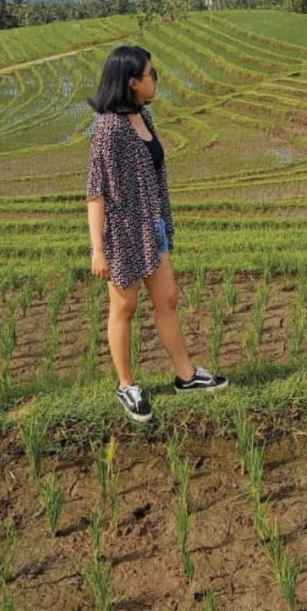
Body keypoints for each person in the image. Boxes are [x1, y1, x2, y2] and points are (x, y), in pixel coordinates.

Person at [86, 46, 227, 423]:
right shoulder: (108, 130)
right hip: (124, 233)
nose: (156, 78)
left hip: (153, 226)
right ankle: (126, 385)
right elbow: (95, 192)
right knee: (124, 307)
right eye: (151, 74)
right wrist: (98, 248)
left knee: (167, 298)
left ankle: (185, 375)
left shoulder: (144, 117)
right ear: (132, 82)